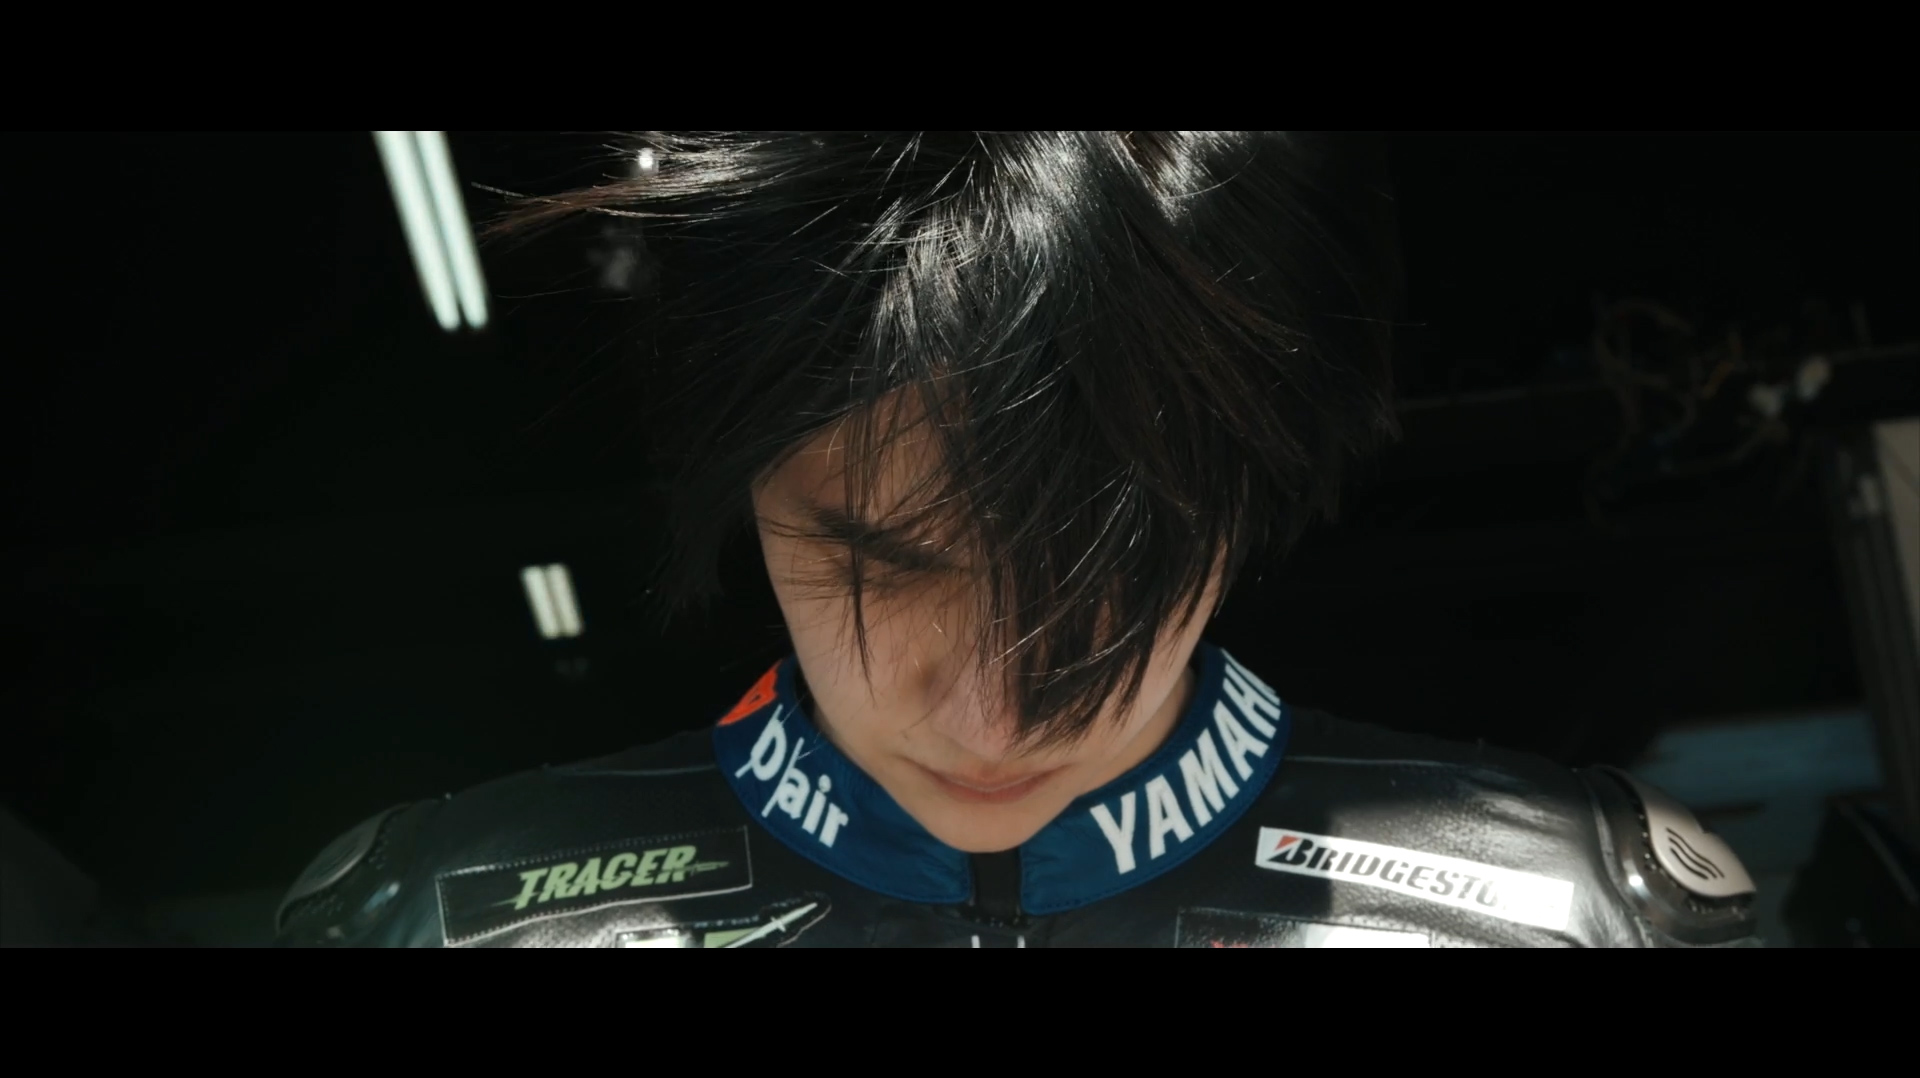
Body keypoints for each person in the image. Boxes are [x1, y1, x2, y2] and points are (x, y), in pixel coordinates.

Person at [276, 132, 1760, 947]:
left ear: (1260, 483)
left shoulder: (1585, 922)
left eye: (1109, 563)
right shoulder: (432, 925)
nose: (995, 712)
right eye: (877, 563)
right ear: (734, 480)